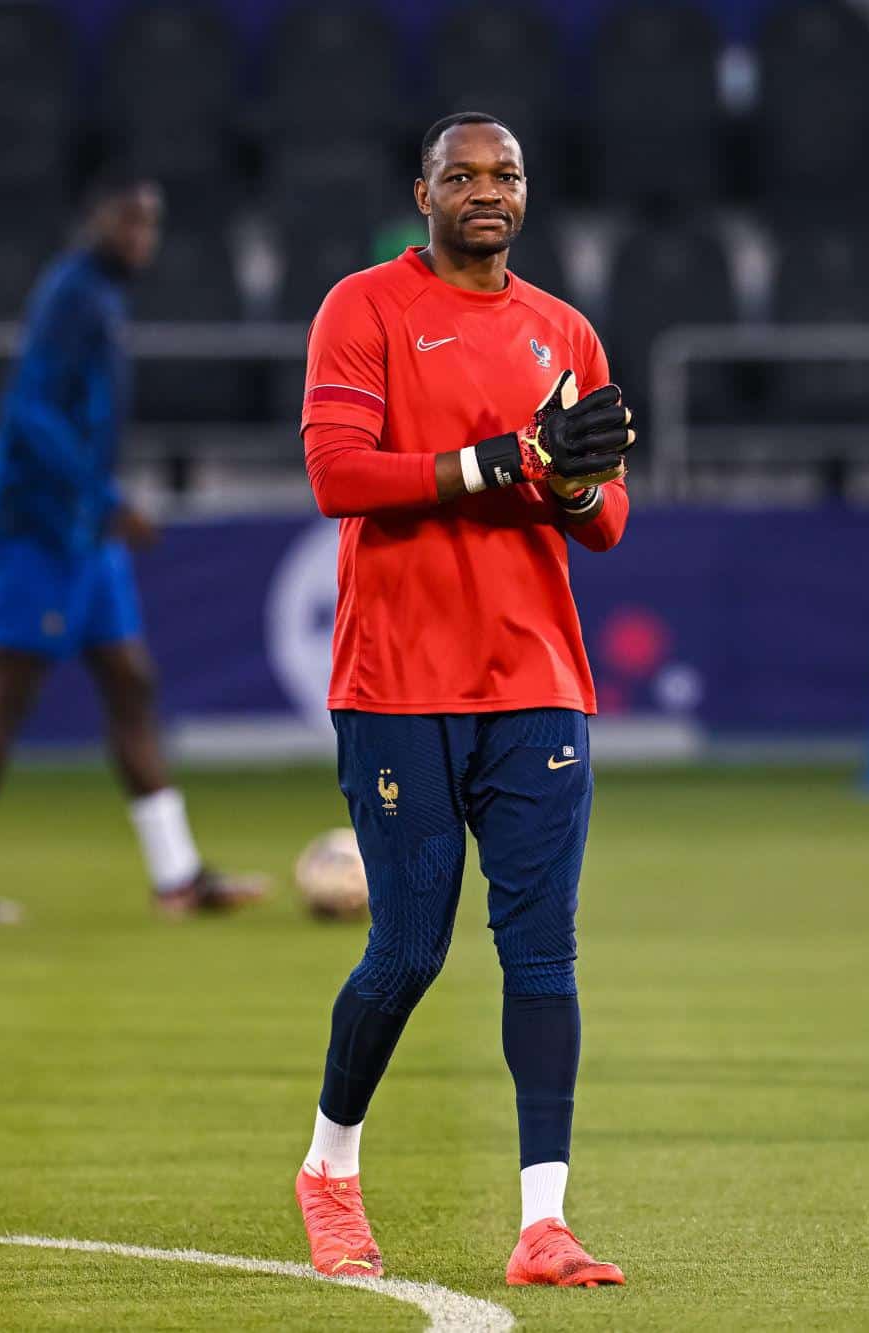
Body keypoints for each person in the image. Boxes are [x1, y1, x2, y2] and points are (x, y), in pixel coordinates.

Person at [290, 114, 637, 1288]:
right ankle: (329, 1168)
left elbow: (602, 523)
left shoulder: (563, 331)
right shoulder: (363, 308)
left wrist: (578, 478)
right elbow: (340, 476)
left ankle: (544, 1220)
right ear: (424, 192)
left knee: (542, 953)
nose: (486, 192)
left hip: (537, 678)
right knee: (406, 951)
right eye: (462, 176)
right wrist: (505, 459)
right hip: (396, 682)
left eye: (506, 176)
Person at [0, 172, 262, 934]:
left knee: (130, 682)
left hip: (82, 531)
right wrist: (104, 499)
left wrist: (98, 504)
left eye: (149, 224)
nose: (140, 238)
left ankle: (177, 875)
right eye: (127, 221)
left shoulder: (104, 297)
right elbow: (27, 413)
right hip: (42, 529)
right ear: (93, 219)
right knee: (11, 691)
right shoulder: (72, 294)